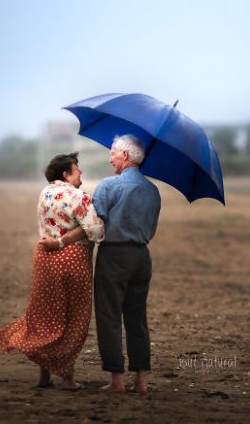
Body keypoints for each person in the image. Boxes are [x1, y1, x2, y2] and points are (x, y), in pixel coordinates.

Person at [0, 152, 104, 390]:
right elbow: (96, 232)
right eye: (77, 169)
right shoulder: (80, 196)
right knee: (73, 318)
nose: (81, 173)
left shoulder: (44, 193)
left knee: (47, 317)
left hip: (44, 258)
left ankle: (44, 377)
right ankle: (67, 378)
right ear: (66, 174)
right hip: (73, 259)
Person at [92, 134, 161, 393]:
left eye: (112, 153)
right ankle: (141, 382)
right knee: (137, 318)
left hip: (114, 256)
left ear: (124, 156)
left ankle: (116, 381)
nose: (110, 158)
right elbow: (151, 231)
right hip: (141, 257)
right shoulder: (153, 191)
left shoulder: (108, 186)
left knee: (109, 317)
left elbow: (95, 226)